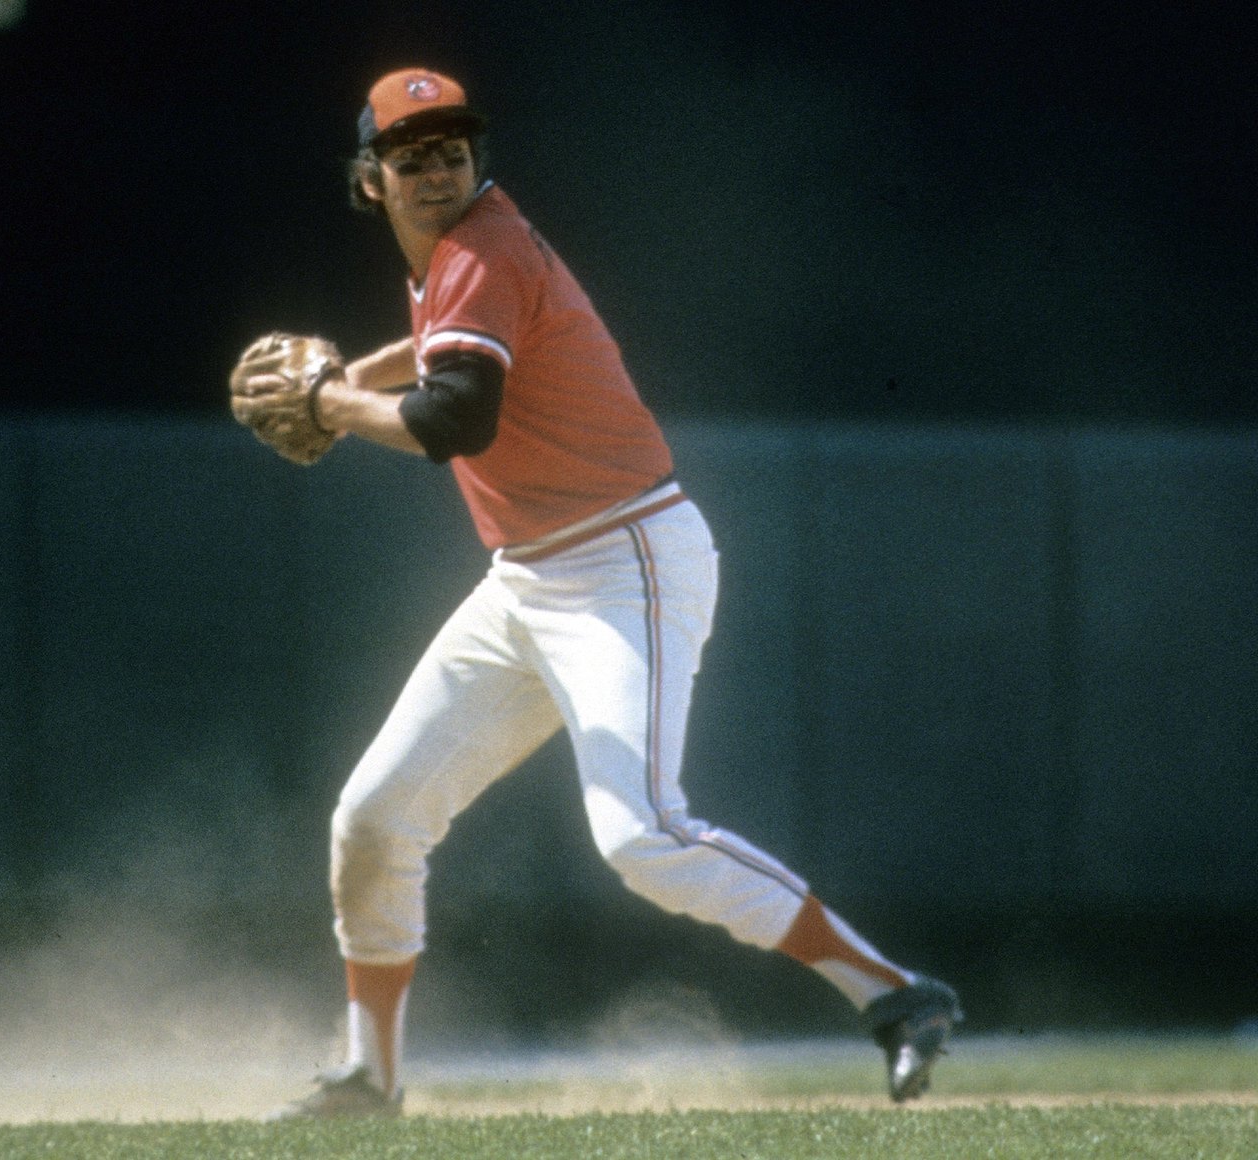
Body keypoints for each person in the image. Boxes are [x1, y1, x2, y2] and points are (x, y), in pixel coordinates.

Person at [277, 67, 958, 1117]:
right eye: (410, 153)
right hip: (526, 578)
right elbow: (442, 347)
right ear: (369, 179)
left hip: (622, 558)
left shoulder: (481, 243)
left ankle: (897, 994)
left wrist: (327, 399)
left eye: (451, 146)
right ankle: (370, 1075)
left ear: (476, 158)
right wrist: (351, 386)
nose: (436, 166)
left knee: (639, 832)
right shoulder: (458, 263)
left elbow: (452, 416)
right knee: (374, 815)